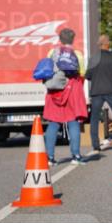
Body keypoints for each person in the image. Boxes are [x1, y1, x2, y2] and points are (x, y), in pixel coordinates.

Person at [42, 28, 88, 167]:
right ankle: (76, 155)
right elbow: (82, 72)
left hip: (55, 90)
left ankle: (50, 157)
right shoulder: (77, 54)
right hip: (72, 89)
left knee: (54, 122)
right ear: (72, 39)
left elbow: (47, 70)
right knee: (73, 122)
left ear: (60, 39)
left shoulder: (52, 52)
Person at [85, 34, 112, 153]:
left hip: (97, 91)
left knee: (94, 119)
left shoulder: (93, 58)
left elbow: (88, 76)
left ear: (99, 45)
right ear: (107, 44)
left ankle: (96, 146)